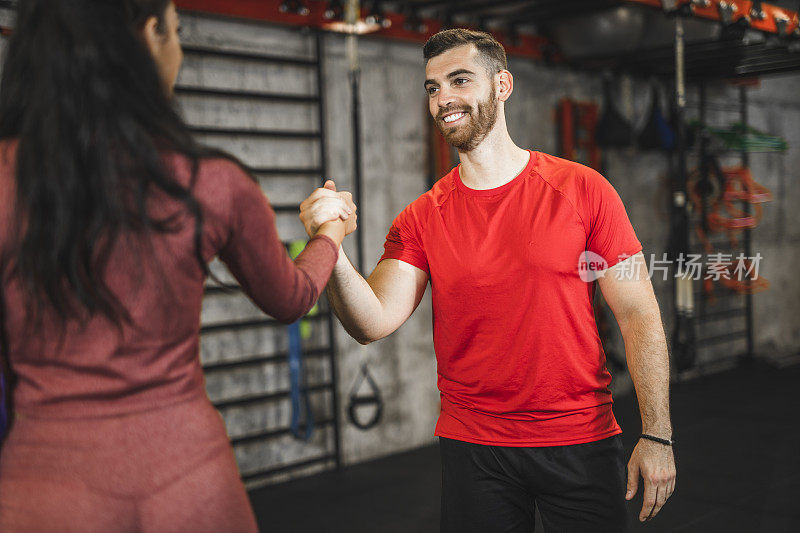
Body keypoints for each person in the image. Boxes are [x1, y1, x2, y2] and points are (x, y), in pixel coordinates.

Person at [0, 1, 354, 531]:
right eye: (178, 32)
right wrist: (331, 229)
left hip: (45, 486)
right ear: (150, 35)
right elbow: (293, 298)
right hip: (190, 480)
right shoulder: (213, 181)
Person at [306, 28, 676, 532]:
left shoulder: (585, 190)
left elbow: (638, 312)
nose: (444, 99)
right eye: (433, 87)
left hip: (578, 438)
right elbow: (371, 321)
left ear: (503, 84)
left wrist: (657, 434)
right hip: (474, 448)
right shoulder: (421, 217)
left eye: (460, 80)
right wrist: (330, 247)